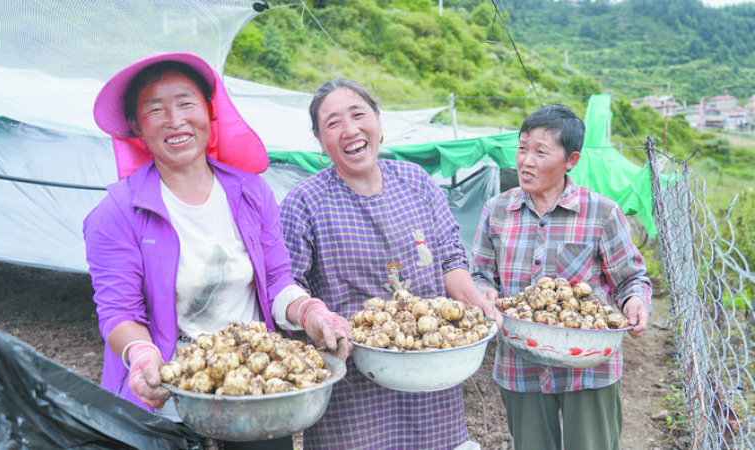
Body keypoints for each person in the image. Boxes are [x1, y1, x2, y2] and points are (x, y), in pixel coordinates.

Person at [83, 52, 350, 450]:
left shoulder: (252, 192)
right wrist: (140, 354)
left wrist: (311, 311)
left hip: (255, 395)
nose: (175, 120)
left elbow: (277, 282)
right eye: (156, 110)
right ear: (138, 127)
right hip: (170, 401)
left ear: (209, 112)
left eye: (186, 103)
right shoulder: (117, 212)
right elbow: (119, 312)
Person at [279, 77, 502, 450]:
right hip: (354, 383)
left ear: (379, 121)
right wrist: (319, 323)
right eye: (333, 123)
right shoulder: (305, 202)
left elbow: (450, 257)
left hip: (429, 369)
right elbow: (288, 286)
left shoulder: (416, 182)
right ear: (319, 139)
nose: (350, 130)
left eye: (358, 114)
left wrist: (476, 300)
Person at [471, 103, 651, 450]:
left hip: (590, 365)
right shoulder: (496, 211)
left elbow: (630, 278)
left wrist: (636, 302)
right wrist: (484, 294)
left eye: (540, 152)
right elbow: (481, 274)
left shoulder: (602, 212)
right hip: (519, 363)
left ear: (571, 160)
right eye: (522, 148)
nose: (525, 161)